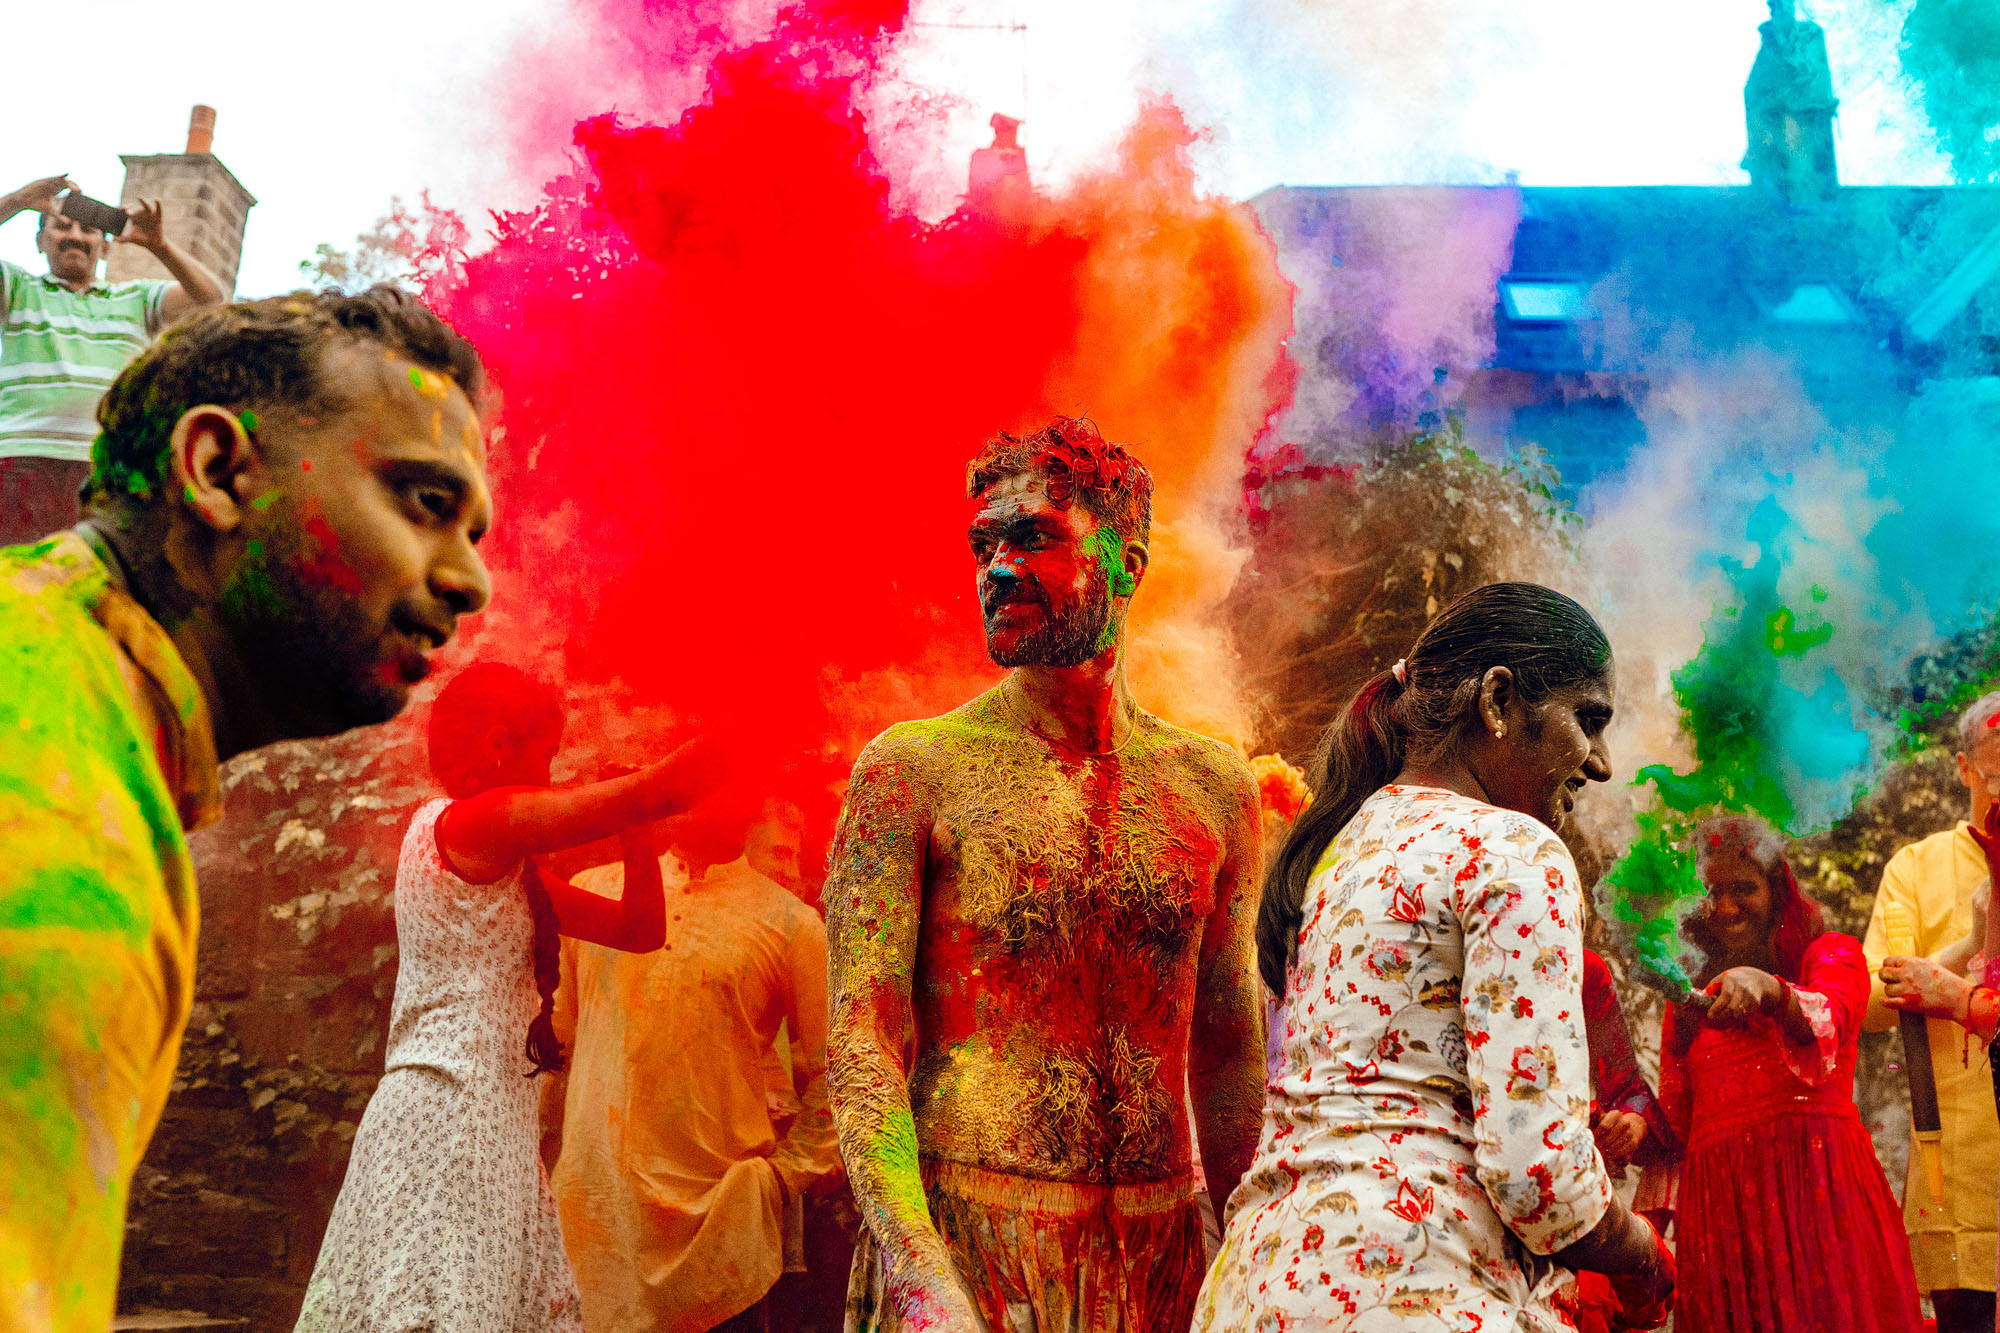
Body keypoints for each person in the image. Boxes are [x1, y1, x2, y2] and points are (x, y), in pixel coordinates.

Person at [0, 286, 491, 1331]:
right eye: (423, 499)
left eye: (476, 530)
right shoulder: (55, 819)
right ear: (220, 472)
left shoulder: (68, 683)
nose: (471, 580)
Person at [826, 416, 1266, 1332]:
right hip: (968, 1254)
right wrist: (917, 1271)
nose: (996, 568)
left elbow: (1228, 1050)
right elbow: (864, 1043)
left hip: (1160, 1263)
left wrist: (1253, 1253)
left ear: (1126, 562)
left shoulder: (1215, 788)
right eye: (982, 545)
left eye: (1032, 537)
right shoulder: (912, 771)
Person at [1196, 581, 1673, 1332]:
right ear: (1498, 700)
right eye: (1588, 720)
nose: (1601, 762)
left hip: (1260, 1291)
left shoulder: (1335, 848)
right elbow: (1539, 1177)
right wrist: (1642, 1253)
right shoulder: (1516, 851)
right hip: (1420, 1292)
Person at [296, 663, 723, 1331]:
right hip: (450, 1121)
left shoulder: (506, 873)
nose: (548, 776)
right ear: (497, 745)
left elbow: (639, 930)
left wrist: (635, 830)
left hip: (488, 1131)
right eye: (544, 757)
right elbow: (655, 790)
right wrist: (745, 721)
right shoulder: (467, 825)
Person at [541, 794, 842, 1332]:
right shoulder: (593, 892)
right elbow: (547, 1056)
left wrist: (783, 1177)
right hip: (591, 1230)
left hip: (720, 1247)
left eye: (717, 777)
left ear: (749, 796)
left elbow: (840, 1077)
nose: (695, 794)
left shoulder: (792, 923)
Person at [1642, 815, 1922, 1333]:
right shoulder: (1689, 997)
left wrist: (1770, 989)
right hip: (1724, 1233)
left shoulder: (1832, 953)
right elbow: (1674, 1127)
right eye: (1711, 892)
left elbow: (1830, 1017)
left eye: (1743, 889)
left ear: (1778, 890)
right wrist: (1630, 1126)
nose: (1725, 907)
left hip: (1821, 1211)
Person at [1860, 692, 2000, 1333]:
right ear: (1965, 768)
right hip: (1957, 1172)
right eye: (1995, 772)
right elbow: (1869, 1004)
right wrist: (1965, 949)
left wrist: (1952, 992)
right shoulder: (1917, 868)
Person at [1, 174, 226, 542]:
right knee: (12, 573)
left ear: (105, 247)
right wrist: (17, 200)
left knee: (95, 574)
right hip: (21, 459)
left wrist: (160, 246)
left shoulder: (137, 298)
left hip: (108, 465)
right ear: (40, 241)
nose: (75, 235)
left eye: (88, 229)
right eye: (61, 226)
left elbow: (210, 300)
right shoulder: (16, 287)